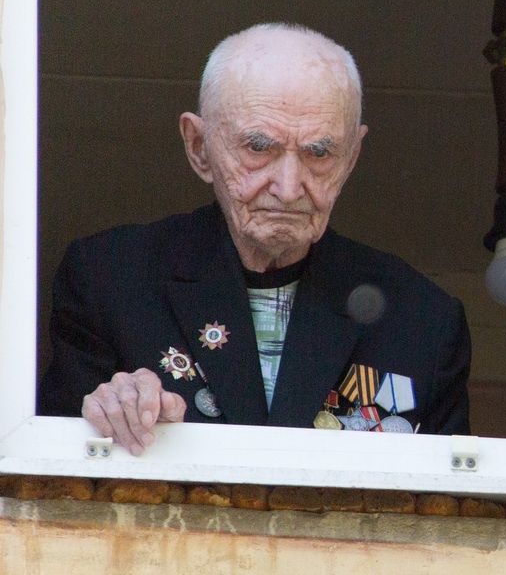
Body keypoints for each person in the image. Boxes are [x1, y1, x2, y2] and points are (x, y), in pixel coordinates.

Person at [38, 23, 472, 455]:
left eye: (319, 153)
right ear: (199, 147)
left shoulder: (422, 320)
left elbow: (450, 510)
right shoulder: (112, 281)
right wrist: (106, 413)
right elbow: (46, 481)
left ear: (351, 158)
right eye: (258, 148)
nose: (287, 187)